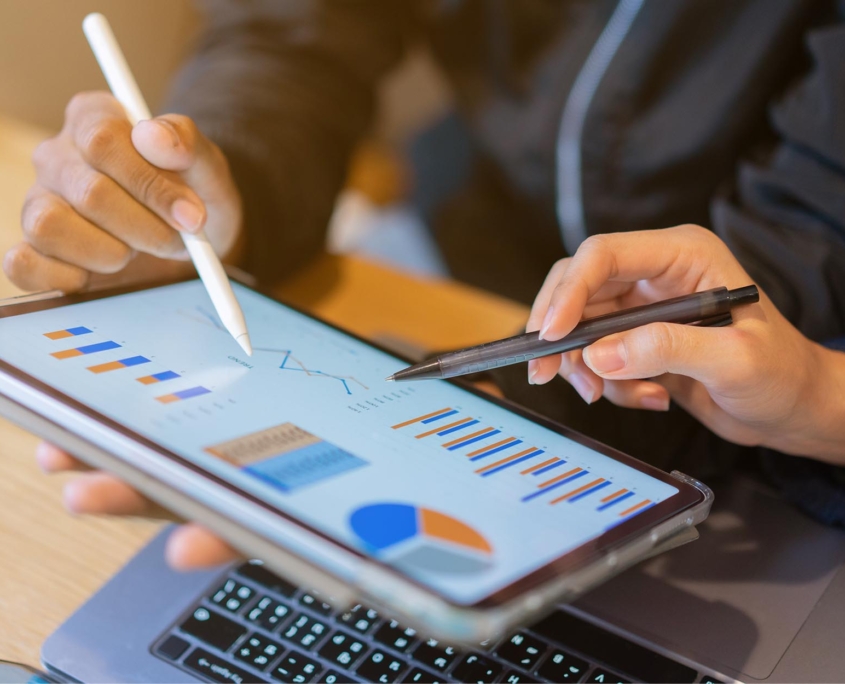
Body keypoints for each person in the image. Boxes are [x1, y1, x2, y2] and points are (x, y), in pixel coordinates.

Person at [5, 0, 845, 568]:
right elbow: (291, 33)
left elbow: (795, 257)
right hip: (483, 257)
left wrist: (817, 393)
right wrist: (227, 191)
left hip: (757, 401)